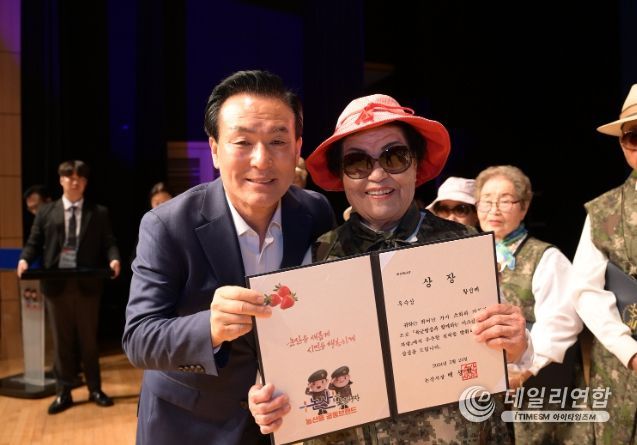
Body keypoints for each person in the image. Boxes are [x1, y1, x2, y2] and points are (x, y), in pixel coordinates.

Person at [248, 94, 533, 444]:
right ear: (342, 175)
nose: (378, 174)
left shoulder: (464, 246)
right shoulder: (316, 258)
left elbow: (508, 351)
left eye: (394, 156)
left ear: (416, 164)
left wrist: (516, 344)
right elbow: (289, 362)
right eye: (357, 162)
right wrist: (269, 395)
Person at [122, 70, 335, 445]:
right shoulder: (168, 225)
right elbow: (139, 339)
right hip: (187, 424)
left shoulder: (315, 212)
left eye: (277, 141)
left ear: (297, 147)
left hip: (280, 421)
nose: (261, 160)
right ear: (215, 149)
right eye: (243, 142)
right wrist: (210, 327)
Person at [474, 165, 591, 444]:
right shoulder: (469, 255)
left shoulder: (546, 257)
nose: (494, 210)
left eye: (505, 201)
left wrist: (524, 371)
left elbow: (560, 324)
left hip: (537, 383)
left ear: (524, 207)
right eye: (486, 201)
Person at [17, 160, 121, 414]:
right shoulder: (46, 212)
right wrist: (24, 259)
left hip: (87, 285)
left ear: (85, 183)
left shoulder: (98, 212)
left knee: (89, 341)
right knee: (61, 341)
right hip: (56, 285)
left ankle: (95, 389)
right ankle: (63, 392)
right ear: (61, 180)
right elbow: (34, 241)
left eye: (80, 178)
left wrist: (114, 258)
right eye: (70, 177)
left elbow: (109, 241)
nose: (75, 182)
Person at [570, 83, 637, 444]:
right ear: (623, 144)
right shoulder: (604, 211)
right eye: (635, 136)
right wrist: (630, 351)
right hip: (624, 367)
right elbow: (586, 290)